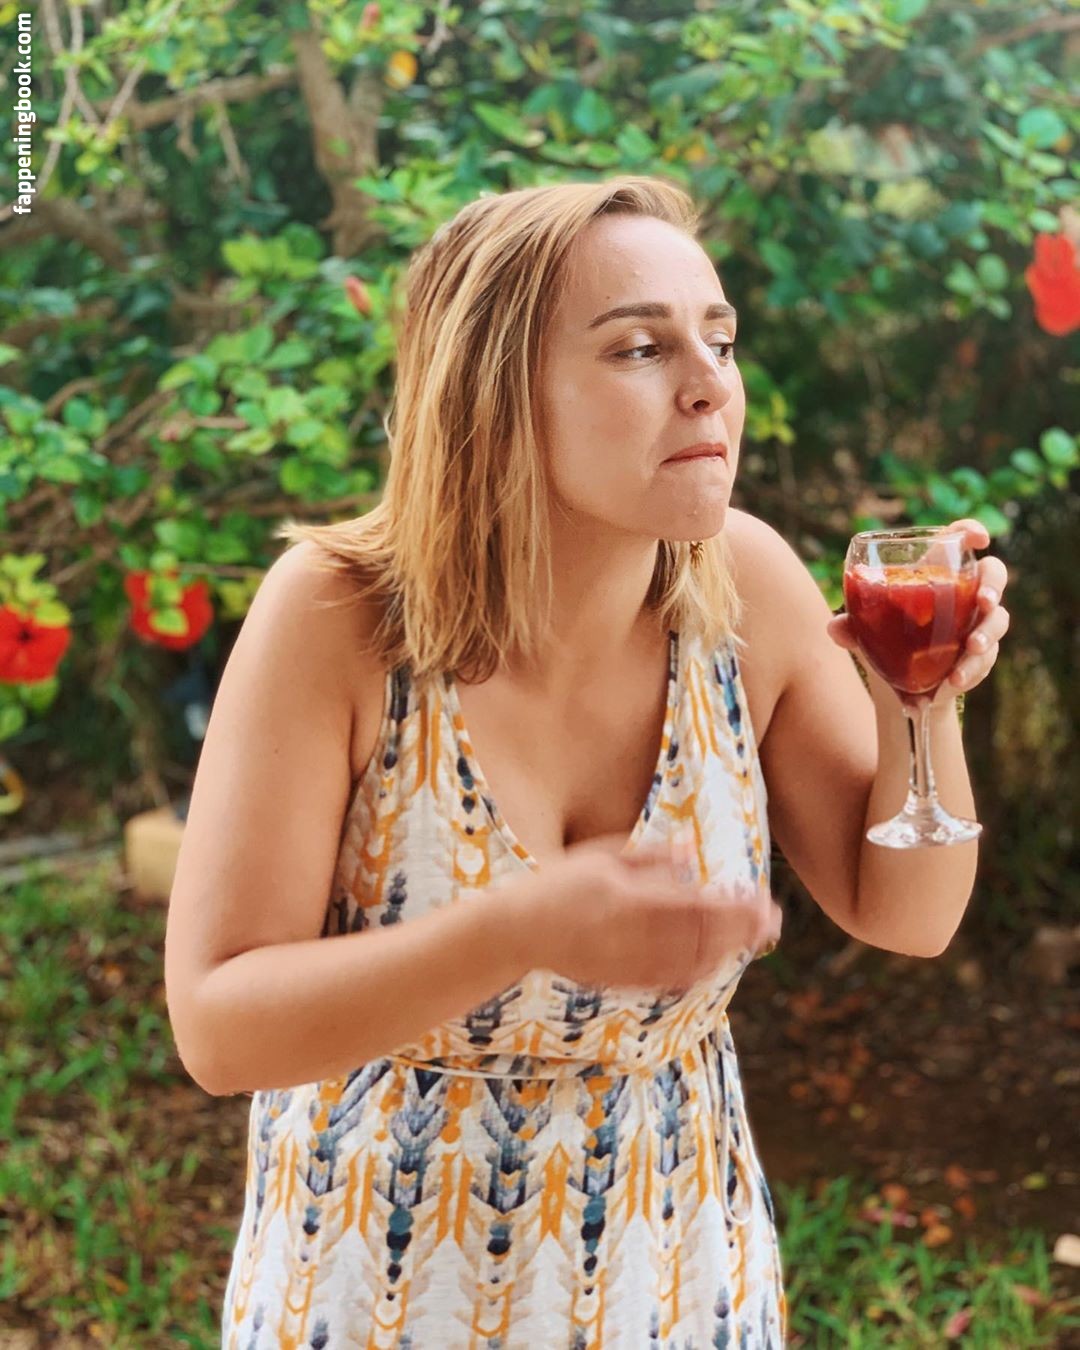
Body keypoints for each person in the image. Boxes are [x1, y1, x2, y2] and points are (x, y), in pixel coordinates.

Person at [163, 175, 1009, 1348]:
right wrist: (517, 930)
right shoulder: (336, 616)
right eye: (640, 348)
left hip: (680, 1289)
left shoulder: (747, 588)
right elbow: (220, 1029)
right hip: (377, 1297)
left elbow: (908, 914)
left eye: (719, 340)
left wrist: (920, 704)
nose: (710, 384)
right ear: (496, 393)